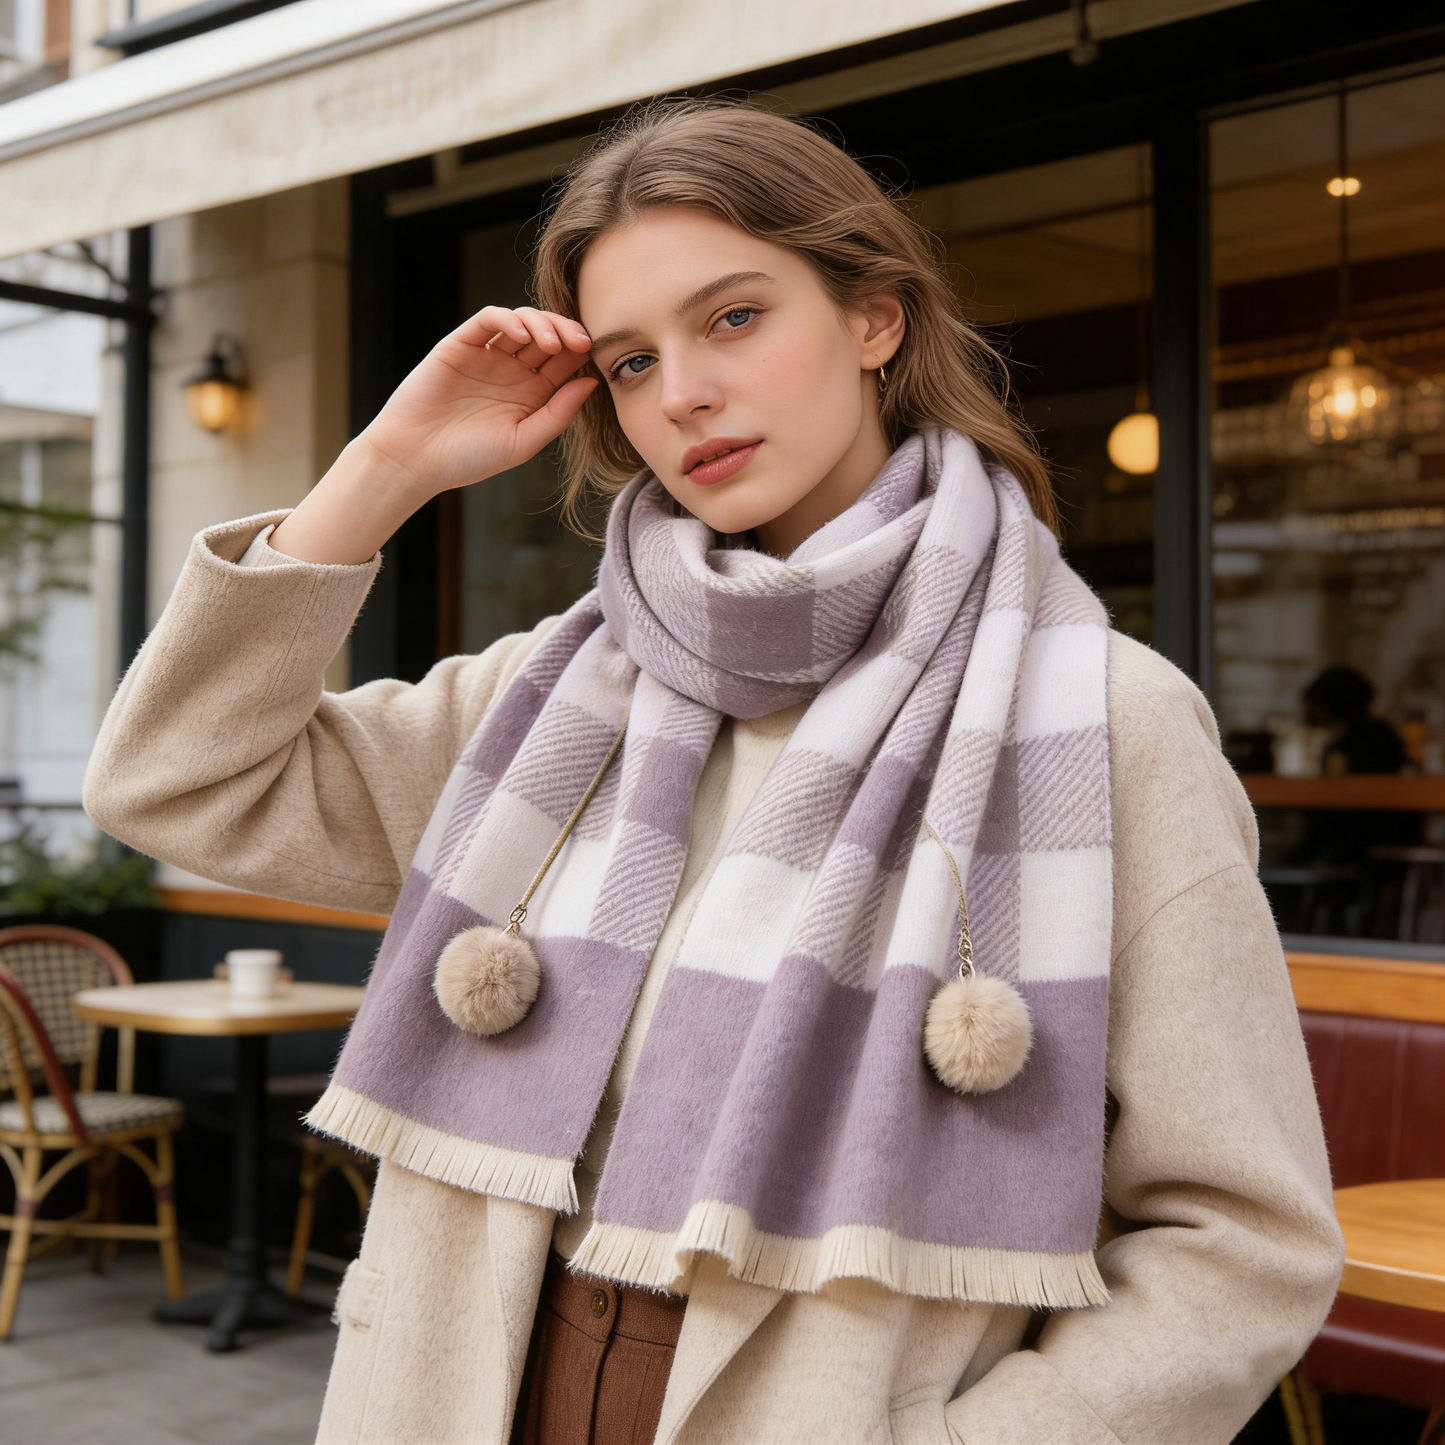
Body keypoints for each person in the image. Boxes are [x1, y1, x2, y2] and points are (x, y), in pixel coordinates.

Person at [84, 100, 1341, 1445]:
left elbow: (1240, 1240)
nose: (679, 391)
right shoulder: (542, 708)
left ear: (876, 318)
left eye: (733, 317)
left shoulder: (1103, 725)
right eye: (629, 361)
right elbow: (177, 781)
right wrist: (384, 470)